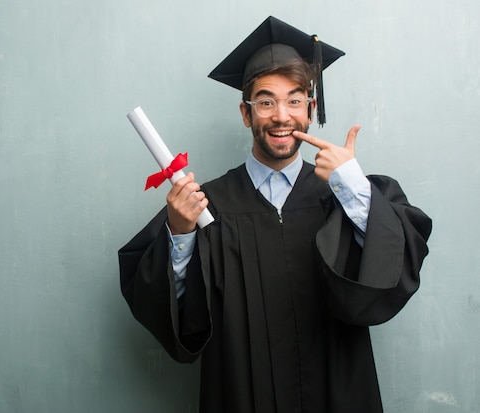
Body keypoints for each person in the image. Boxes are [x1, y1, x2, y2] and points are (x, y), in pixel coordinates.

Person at [118, 16, 432, 413]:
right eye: (266, 101)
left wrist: (353, 183)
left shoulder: (344, 194)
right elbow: (173, 314)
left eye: (295, 100)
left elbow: (398, 260)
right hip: (243, 393)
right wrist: (179, 235)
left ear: (310, 108)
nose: (281, 115)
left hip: (337, 390)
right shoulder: (207, 206)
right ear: (246, 113)